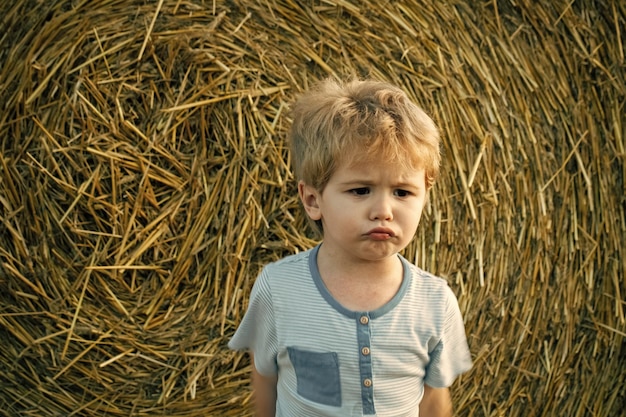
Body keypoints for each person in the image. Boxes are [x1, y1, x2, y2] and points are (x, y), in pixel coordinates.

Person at [229, 78, 472, 416]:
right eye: (360, 190)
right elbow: (265, 383)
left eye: (403, 192)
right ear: (313, 200)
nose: (384, 210)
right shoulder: (279, 290)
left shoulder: (435, 301)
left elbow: (434, 400)